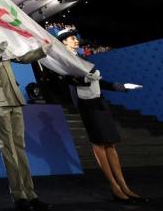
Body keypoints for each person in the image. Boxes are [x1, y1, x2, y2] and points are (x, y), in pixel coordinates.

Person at [56, 27, 146, 204]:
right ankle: (114, 186)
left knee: (111, 144)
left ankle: (124, 186)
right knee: (99, 144)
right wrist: (85, 79)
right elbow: (66, 78)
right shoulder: (63, 59)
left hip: (99, 101)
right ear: (64, 41)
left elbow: (99, 80)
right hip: (86, 104)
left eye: (76, 38)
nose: (76, 40)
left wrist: (123, 86)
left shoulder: (81, 57)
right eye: (72, 38)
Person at [0, 39, 54, 211]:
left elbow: (23, 58)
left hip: (15, 99)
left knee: (20, 148)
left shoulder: (6, 49)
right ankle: (18, 195)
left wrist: (42, 50)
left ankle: (31, 194)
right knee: (7, 149)